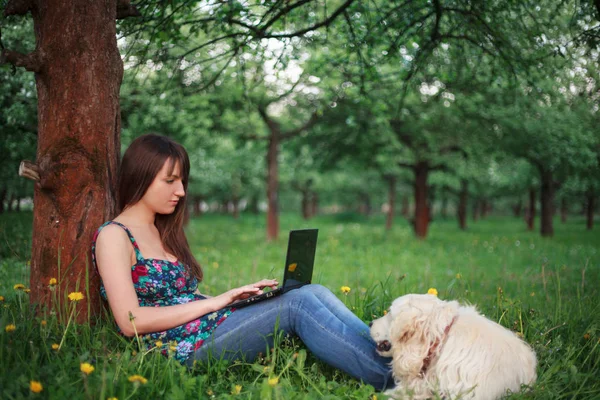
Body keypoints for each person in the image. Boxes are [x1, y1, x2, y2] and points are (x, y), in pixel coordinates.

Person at [92, 133, 393, 390]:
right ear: (141, 176)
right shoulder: (114, 236)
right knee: (297, 305)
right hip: (180, 348)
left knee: (307, 292)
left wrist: (236, 300)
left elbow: (180, 298)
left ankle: (394, 356)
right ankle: (393, 379)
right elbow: (131, 322)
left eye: (182, 181)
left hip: (208, 326)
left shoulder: (162, 230)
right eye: (170, 181)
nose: (181, 192)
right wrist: (215, 303)